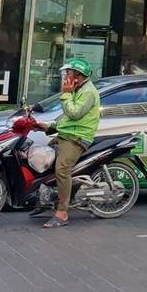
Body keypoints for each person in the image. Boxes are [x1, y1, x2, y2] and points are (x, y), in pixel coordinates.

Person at [36, 58, 101, 228]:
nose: (65, 76)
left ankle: (62, 213)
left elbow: (74, 114)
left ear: (78, 75)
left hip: (76, 138)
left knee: (62, 170)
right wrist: (47, 127)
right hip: (66, 134)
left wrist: (66, 93)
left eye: (68, 72)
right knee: (42, 160)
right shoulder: (77, 89)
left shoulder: (87, 92)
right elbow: (66, 119)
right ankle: (45, 199)